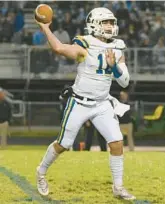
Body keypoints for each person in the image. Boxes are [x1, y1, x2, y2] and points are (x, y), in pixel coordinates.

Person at [35, 7, 135, 200]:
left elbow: (125, 82)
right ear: (94, 24)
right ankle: (41, 171)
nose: (109, 26)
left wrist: (114, 66)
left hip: (102, 104)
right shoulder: (85, 44)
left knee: (116, 143)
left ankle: (118, 187)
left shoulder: (117, 48)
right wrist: (45, 28)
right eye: (105, 22)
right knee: (63, 144)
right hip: (79, 102)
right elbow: (59, 48)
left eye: (111, 22)